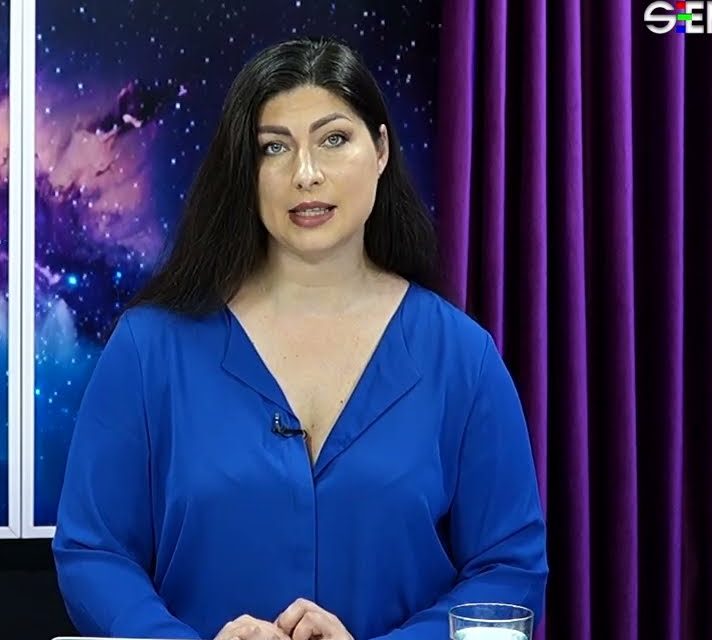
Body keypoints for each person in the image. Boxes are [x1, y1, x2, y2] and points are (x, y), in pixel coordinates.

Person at [52, 36, 547, 640]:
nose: (305, 174)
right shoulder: (148, 348)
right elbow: (95, 552)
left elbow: (508, 571)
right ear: (245, 170)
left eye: (333, 139)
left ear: (381, 150)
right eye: (274, 147)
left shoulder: (464, 358)